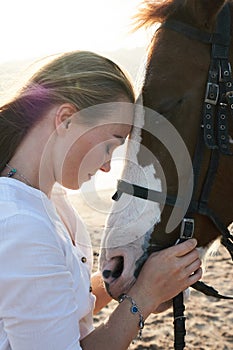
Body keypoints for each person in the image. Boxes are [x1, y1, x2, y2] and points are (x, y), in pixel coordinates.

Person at [0, 50, 202, 350]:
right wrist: (145, 295)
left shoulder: (50, 201)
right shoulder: (21, 224)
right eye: (110, 144)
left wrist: (118, 280)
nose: (108, 165)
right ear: (66, 119)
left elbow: (52, 312)